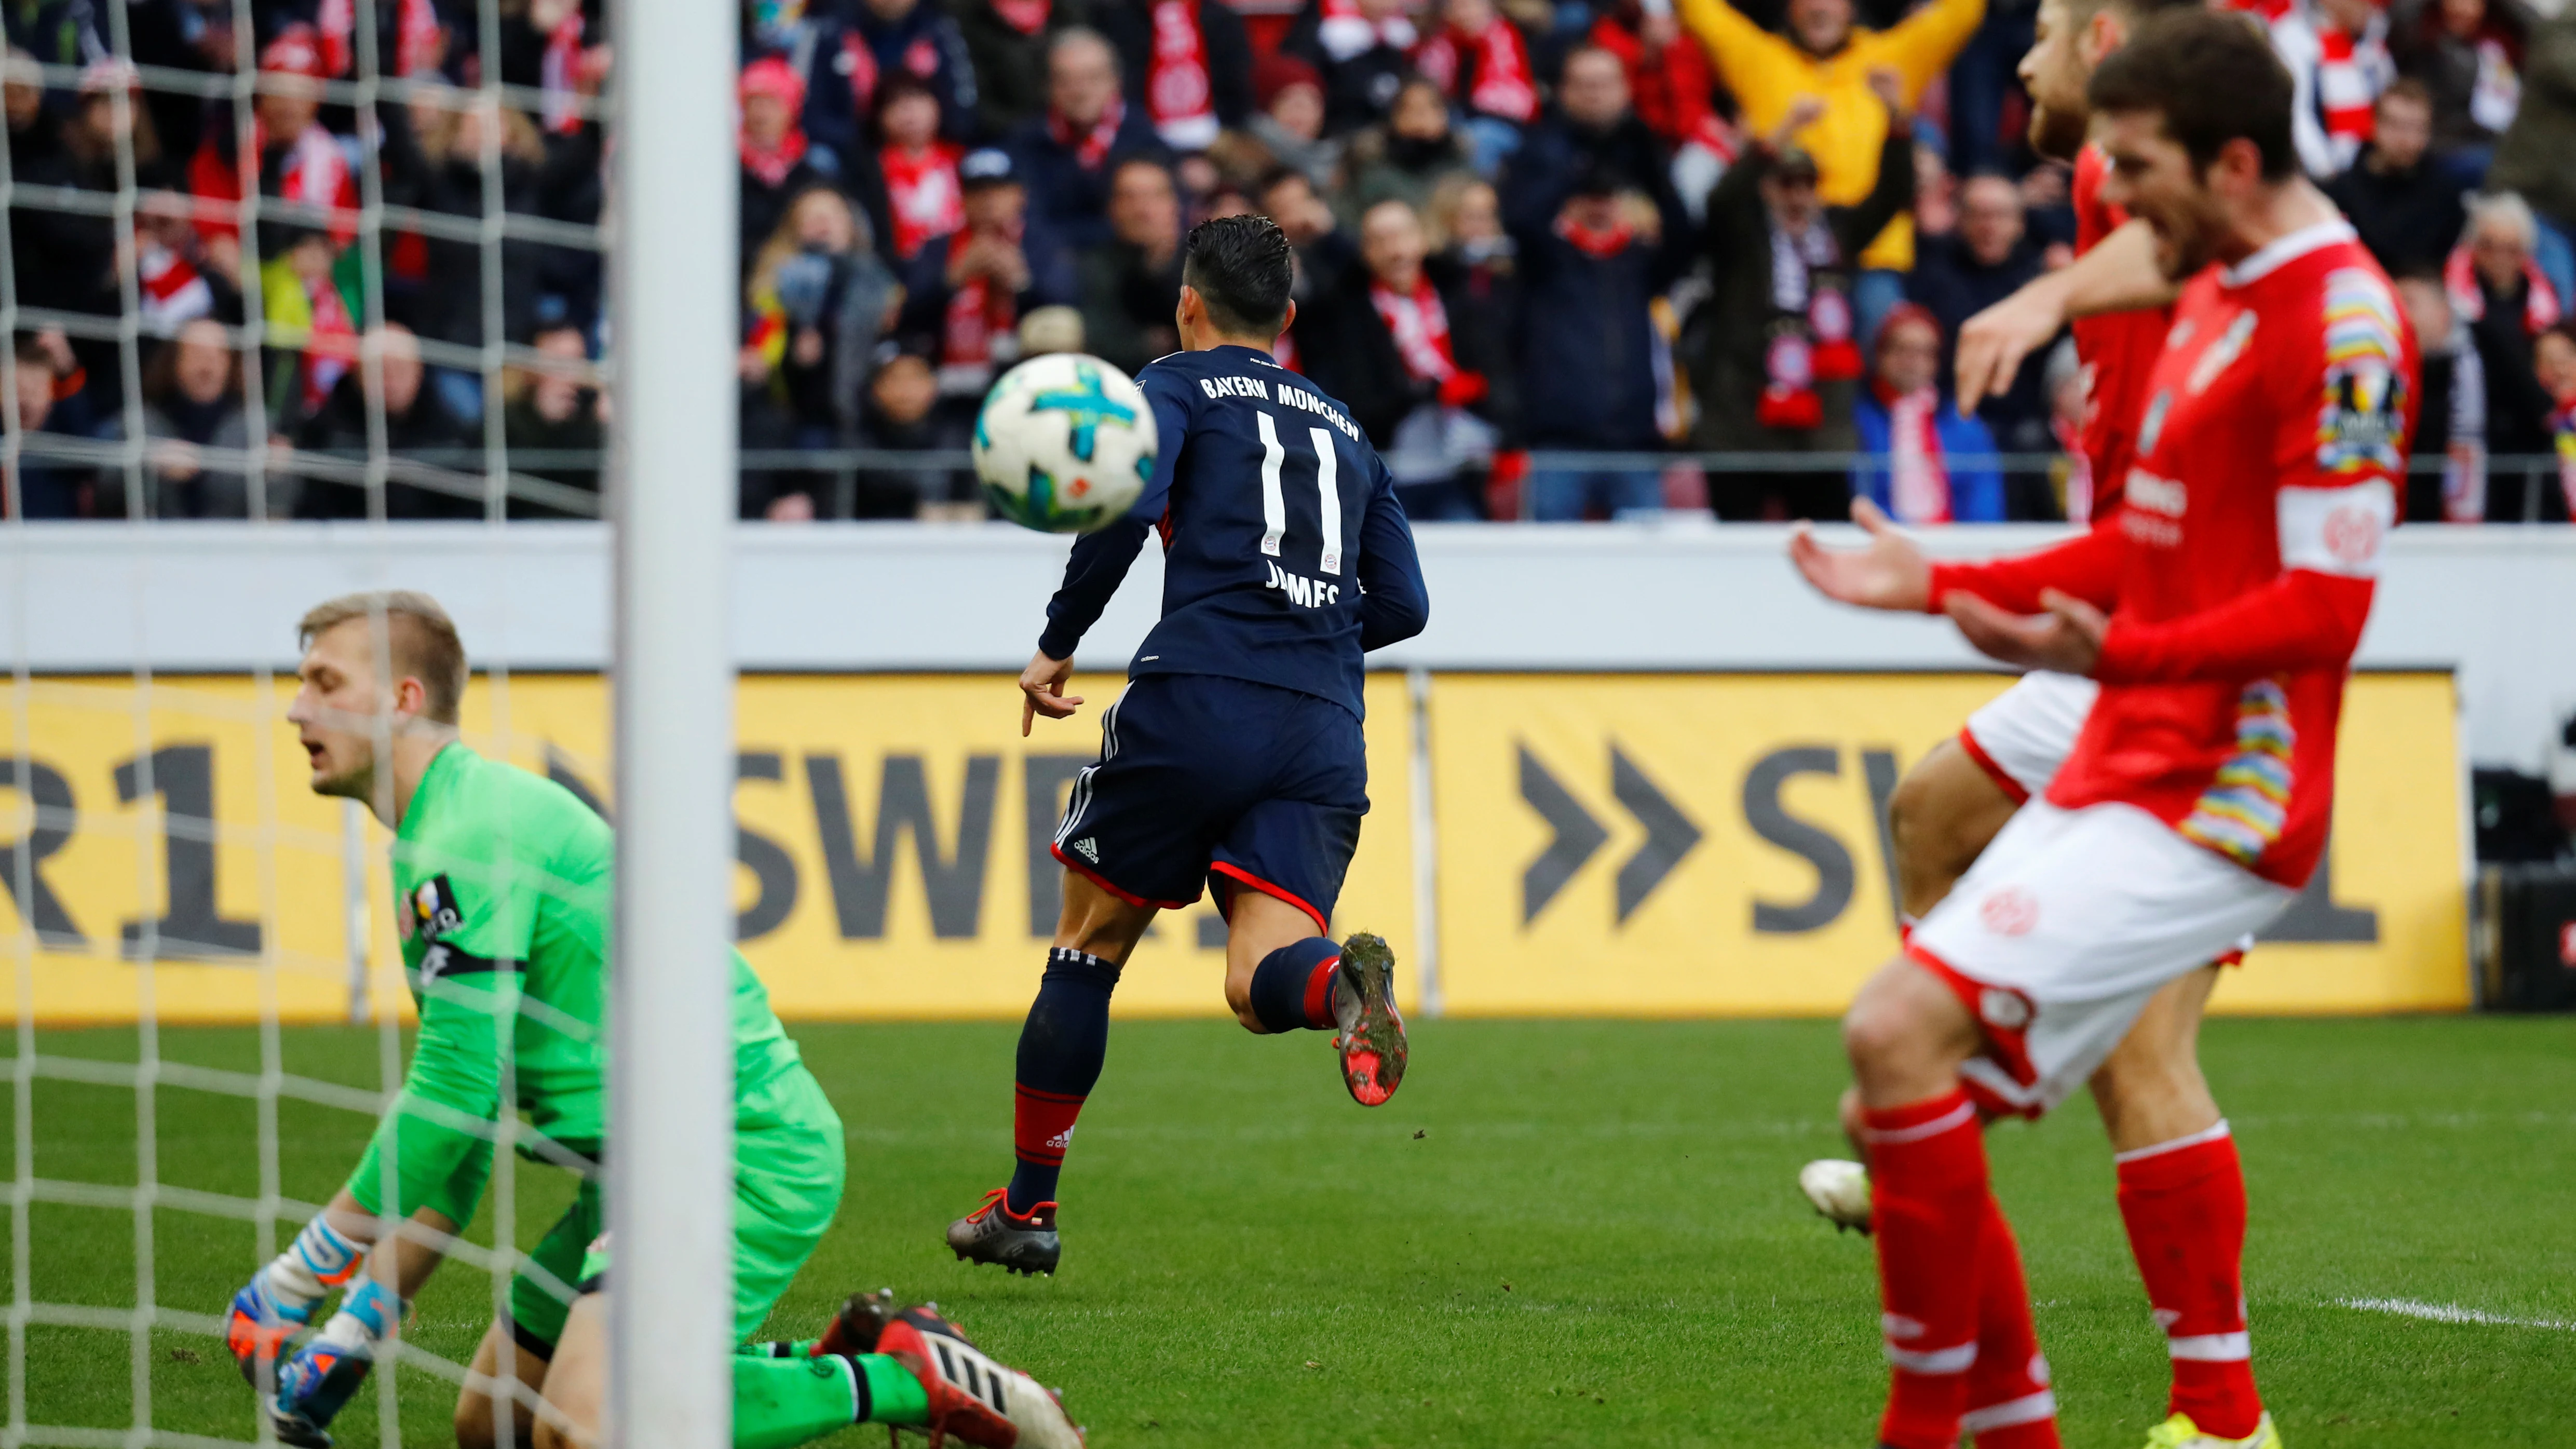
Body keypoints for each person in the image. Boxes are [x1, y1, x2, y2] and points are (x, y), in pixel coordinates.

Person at [1794, 12, 2412, 1449]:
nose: (2111, 211)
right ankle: (2088, 1413)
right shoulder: (2210, 293)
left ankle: (2050, 1414)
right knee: (1902, 1066)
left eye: (2135, 173)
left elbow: (2324, 611)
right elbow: (2140, 545)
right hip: (2138, 733)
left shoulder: (2342, 319)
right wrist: (1935, 579)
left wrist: (2117, 648)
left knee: (1903, 1035)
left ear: (2232, 160)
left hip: (2229, 786)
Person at [222, 592, 1081, 1449]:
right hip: (639, 1178)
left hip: (735, 1149)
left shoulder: (467, 833)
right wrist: (355, 1327)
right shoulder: (440, 834)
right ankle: (841, 1360)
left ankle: (896, 1379)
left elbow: (451, 1092)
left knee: (591, 1427)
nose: (298, 706)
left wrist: (298, 1276)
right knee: (496, 1425)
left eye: (324, 681)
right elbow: (461, 1126)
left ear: (403, 698)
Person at [944, 214, 1429, 1277]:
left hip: (1198, 698)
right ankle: (1343, 992)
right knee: (1260, 982)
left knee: (1091, 942)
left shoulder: (1172, 385)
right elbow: (1406, 602)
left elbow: (1122, 515)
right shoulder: (1348, 430)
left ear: (1189, 304)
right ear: (1289, 320)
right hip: (1319, 729)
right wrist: (1304, 626)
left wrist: (1057, 644)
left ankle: (1028, 1208)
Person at [1691, 83, 1914, 520]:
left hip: (1819, 433)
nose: (1797, 197)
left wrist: (1898, 123)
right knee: (1736, 556)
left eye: (1807, 186)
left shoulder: (1838, 232)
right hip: (1740, 430)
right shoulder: (1742, 235)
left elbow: (1892, 194)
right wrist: (1782, 131)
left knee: (1826, 551)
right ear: (1767, 189)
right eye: (1785, 185)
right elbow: (1722, 199)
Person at [1674, 0, 1985, 281]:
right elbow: (1700, 10)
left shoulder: (1892, 56)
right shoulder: (1760, 58)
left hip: (1874, 255)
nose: (1819, 7)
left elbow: (1963, 11)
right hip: (1780, 256)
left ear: (1852, 7)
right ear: (1790, 8)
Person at [1295, 196, 1504, 519]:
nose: (1396, 252)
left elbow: (1497, 371)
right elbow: (1355, 395)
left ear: (1422, 239)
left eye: (1402, 235)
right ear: (1365, 252)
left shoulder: (1458, 295)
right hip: (1387, 470)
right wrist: (1422, 395)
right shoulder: (1349, 314)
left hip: (1462, 469)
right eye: (1381, 241)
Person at [1907, 170, 2054, 456]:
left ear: (2020, 224)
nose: (1990, 226)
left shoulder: (2042, 277)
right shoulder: (1934, 272)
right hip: (1949, 415)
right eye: (1979, 215)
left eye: (2001, 215)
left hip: (2028, 420)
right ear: (1960, 221)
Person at [2449, 189, 2565, 517]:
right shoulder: (2453, 303)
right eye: (2489, 246)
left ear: (2526, 252)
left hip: (2531, 438)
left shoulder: (2547, 305)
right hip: (2471, 433)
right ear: (2473, 247)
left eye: (2511, 249)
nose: (2500, 257)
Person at [1008, 28, 1168, 252]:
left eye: (1093, 78)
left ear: (1115, 81)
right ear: (1048, 87)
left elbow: (1165, 222)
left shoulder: (1146, 139)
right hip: (1061, 264)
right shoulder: (1026, 144)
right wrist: (1114, 231)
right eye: (1066, 80)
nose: (1080, 91)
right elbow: (1031, 225)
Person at [1853, 303, 2008, 522]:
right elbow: (1860, 494)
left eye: (1925, 353)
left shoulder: (1962, 422)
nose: (1913, 362)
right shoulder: (1859, 420)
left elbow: (1984, 498)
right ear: (1880, 355)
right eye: (1903, 350)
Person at [2326, 79, 2470, 276]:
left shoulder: (2443, 193)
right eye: (2396, 126)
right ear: (2375, 125)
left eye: (2418, 128)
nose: (2407, 140)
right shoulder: (2340, 193)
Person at [2394, 265, 2489, 520]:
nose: (2398, 314)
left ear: (2444, 312)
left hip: (2478, 529)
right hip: (2397, 520)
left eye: (2409, 302)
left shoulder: (2488, 360)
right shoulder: (2377, 366)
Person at [1076, 156, 1187, 374]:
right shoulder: (1092, 267)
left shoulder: (1203, 265)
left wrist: (1160, 263)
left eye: (1153, 196)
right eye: (1129, 198)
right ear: (1112, 209)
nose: (1142, 211)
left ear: (1174, 205)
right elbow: (1098, 341)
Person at [1097, 0, 1255, 152]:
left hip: (1216, 142)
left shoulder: (1222, 19)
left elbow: (1236, 97)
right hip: (1143, 144)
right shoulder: (1118, 18)